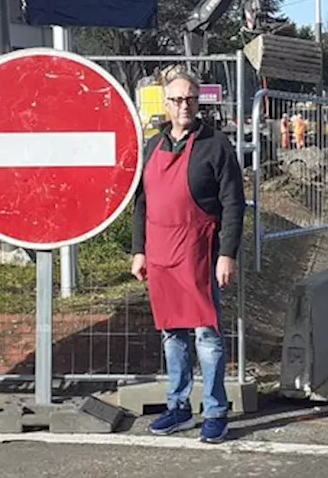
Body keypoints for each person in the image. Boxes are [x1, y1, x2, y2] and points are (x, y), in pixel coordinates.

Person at [131, 70, 245, 444]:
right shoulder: (152, 145)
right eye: (177, 100)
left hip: (199, 251)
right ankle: (178, 407)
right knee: (172, 335)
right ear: (165, 104)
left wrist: (227, 253)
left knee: (207, 335)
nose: (184, 105)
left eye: (191, 99)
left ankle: (215, 411)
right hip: (161, 253)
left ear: (199, 102)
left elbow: (233, 203)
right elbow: (141, 204)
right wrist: (139, 250)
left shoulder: (216, 145)